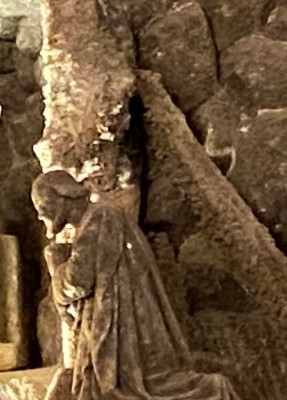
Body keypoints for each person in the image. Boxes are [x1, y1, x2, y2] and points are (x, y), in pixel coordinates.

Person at [32, 170, 238, 400]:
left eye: (42, 206)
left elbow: (78, 280)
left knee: (131, 388)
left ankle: (212, 390)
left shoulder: (100, 218)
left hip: (123, 327)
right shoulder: (101, 218)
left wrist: (57, 268)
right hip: (123, 321)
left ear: (60, 199)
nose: (41, 215)